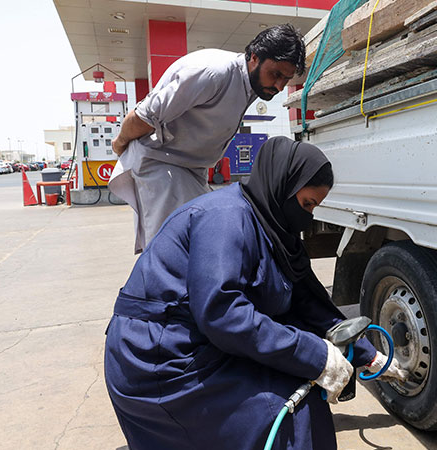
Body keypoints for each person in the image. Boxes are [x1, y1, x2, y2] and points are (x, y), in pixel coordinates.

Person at [104, 137, 407, 449]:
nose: (308, 217)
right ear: (283, 185)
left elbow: (303, 301)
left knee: (300, 390)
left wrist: (366, 354)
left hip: (200, 344)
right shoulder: (225, 218)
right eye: (306, 204)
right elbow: (222, 313)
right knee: (289, 409)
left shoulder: (273, 231)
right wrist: (315, 355)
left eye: (314, 207)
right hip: (159, 359)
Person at [108, 24, 306, 253]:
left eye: (286, 79)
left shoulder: (253, 84)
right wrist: (119, 143)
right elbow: (143, 116)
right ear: (254, 57)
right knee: (170, 252)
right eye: (276, 74)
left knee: (206, 241)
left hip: (193, 170)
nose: (280, 86)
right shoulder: (213, 73)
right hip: (162, 164)